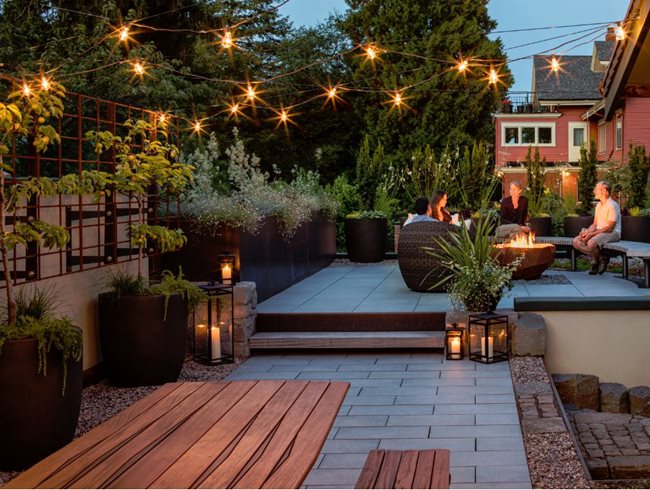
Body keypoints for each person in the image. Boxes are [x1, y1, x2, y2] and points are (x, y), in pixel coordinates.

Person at [572, 180, 621, 275]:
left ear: (604, 191)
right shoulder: (598, 205)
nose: (594, 191)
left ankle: (595, 263)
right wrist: (586, 233)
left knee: (590, 243)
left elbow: (609, 228)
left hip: (613, 233)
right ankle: (601, 259)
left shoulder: (612, 206)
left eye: (596, 189)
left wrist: (591, 234)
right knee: (576, 242)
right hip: (599, 232)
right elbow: (595, 224)